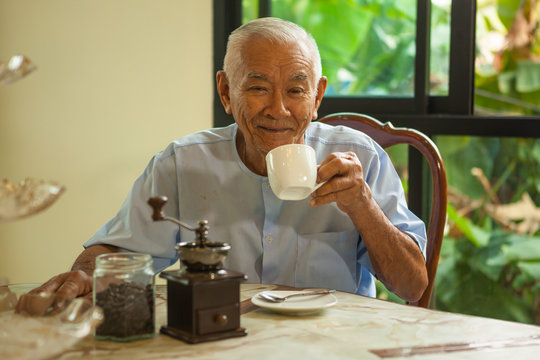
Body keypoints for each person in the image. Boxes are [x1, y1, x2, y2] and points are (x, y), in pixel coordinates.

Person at [19, 17, 428, 309]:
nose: (278, 110)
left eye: (296, 90)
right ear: (226, 91)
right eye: (257, 87)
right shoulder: (183, 162)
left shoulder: (362, 160)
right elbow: (118, 251)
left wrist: (364, 207)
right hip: (220, 340)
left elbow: (413, 286)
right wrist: (83, 275)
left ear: (318, 97)